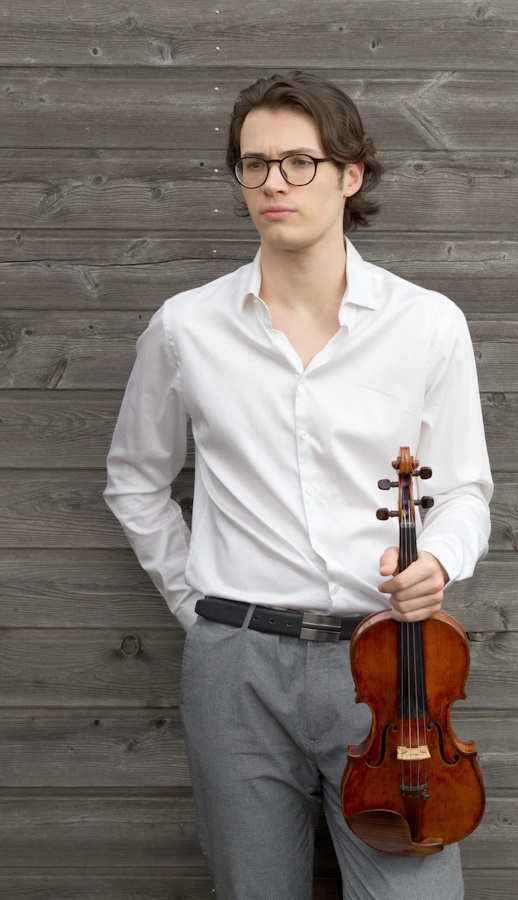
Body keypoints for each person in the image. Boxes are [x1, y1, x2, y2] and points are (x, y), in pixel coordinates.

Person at [104, 71, 493, 900]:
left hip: (388, 666)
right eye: (254, 164)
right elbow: (134, 479)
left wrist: (439, 562)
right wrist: (200, 607)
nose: (273, 182)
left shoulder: (428, 325)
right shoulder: (185, 328)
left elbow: (464, 491)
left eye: (297, 162)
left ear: (350, 175)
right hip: (235, 670)